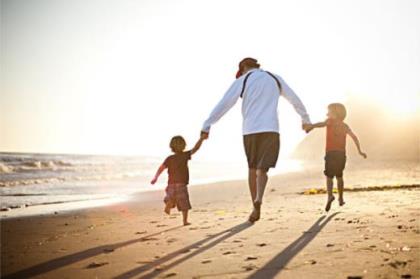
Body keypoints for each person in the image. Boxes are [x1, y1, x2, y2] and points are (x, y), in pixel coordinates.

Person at [201, 57, 311, 222]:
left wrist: (207, 125)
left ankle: (255, 205)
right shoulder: (275, 78)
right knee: (263, 169)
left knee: (252, 168)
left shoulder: (243, 80)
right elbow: (294, 98)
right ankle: (260, 196)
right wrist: (305, 119)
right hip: (271, 129)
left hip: (250, 130)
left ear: (244, 67)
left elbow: (224, 103)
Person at [306, 103, 367, 211]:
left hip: (330, 153)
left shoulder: (330, 122)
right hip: (341, 154)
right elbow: (354, 137)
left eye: (328, 112)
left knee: (329, 176)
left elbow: (321, 124)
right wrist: (360, 151)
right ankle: (341, 198)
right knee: (339, 176)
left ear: (335, 113)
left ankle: (330, 195)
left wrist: (311, 126)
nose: (327, 114)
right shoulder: (345, 126)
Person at [151, 135, 206, 226]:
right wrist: (201, 139)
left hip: (171, 184)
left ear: (171, 147)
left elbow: (161, 168)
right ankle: (185, 221)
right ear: (184, 145)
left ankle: (169, 202)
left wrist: (155, 177)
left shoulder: (169, 158)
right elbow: (196, 148)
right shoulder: (185, 155)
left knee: (171, 198)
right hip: (181, 184)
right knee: (184, 203)